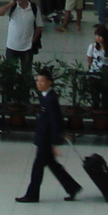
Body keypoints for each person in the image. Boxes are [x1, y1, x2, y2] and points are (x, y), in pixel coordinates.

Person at [15, 69, 82, 203]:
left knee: (37, 168)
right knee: (53, 166)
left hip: (45, 141)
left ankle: (32, 195)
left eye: (42, 81)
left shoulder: (50, 99)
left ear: (49, 82)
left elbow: (55, 121)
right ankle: (72, 187)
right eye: (37, 81)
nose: (38, 83)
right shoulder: (45, 96)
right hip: (43, 138)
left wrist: (54, 143)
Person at [0, 0, 41, 86]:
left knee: (26, 73)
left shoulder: (33, 8)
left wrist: (33, 39)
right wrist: (10, 4)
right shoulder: (13, 7)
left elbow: (39, 26)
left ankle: (25, 95)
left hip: (27, 48)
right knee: (9, 73)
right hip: (12, 46)